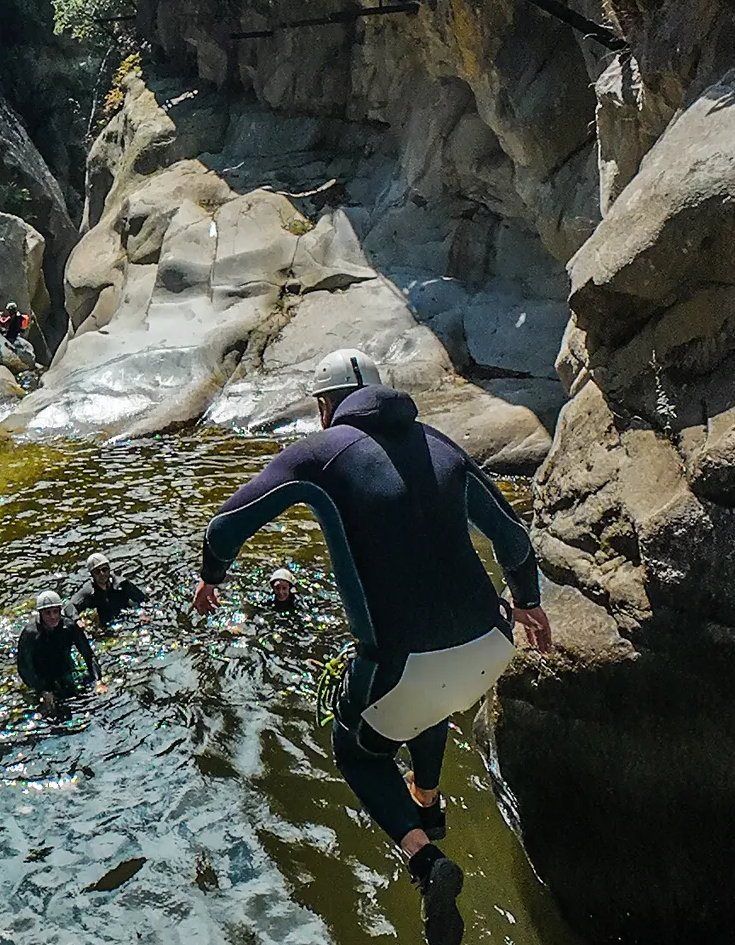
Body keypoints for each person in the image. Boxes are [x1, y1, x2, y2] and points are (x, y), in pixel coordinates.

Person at [189, 348, 552, 945]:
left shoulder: (320, 453)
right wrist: (531, 602)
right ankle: (429, 801)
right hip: (493, 643)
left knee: (357, 747)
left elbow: (225, 524)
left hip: (403, 666)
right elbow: (512, 539)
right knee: (425, 703)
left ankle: (426, 863)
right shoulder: (442, 443)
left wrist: (212, 574)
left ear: (327, 407)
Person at [16, 591, 100, 712]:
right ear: (40, 614)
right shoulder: (30, 634)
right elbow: (24, 668)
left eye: (56, 612)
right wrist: (42, 690)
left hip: (65, 667)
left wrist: (98, 681)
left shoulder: (69, 626)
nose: (53, 617)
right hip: (41, 675)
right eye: (47, 613)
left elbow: (88, 654)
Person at [70, 552, 149, 625]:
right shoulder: (89, 591)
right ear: (92, 575)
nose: (102, 574)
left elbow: (142, 599)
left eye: (104, 569)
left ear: (109, 569)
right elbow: (70, 606)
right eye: (97, 572)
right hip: (104, 621)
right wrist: (78, 621)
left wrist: (142, 614)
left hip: (126, 615)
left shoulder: (121, 584)